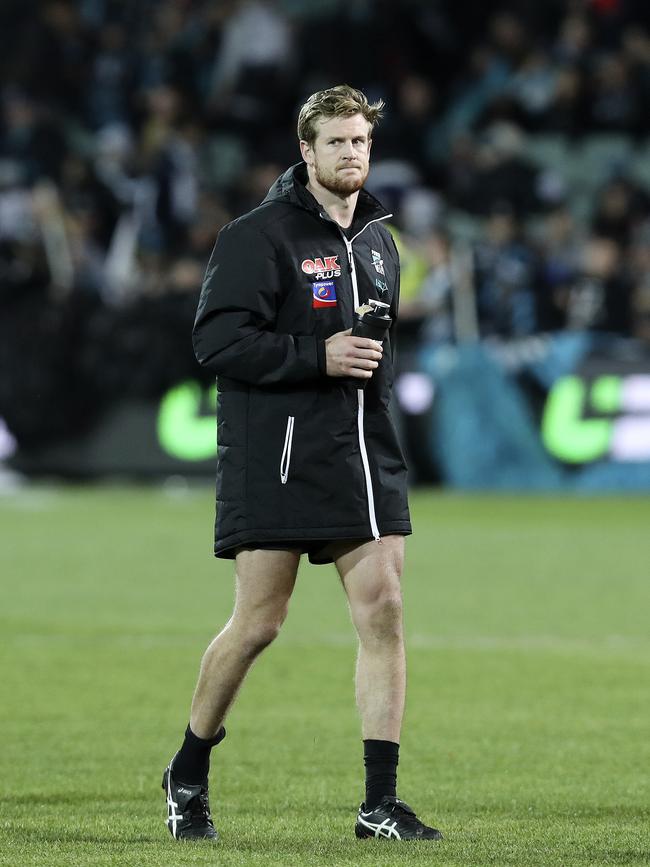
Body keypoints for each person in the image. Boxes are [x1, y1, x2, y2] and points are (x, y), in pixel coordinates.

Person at [162, 84, 442, 843]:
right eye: (339, 142)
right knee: (259, 622)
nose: (353, 153)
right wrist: (317, 355)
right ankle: (188, 770)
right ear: (306, 151)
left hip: (363, 455)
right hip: (279, 454)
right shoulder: (258, 236)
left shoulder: (381, 240)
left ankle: (378, 804)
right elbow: (217, 341)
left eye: (362, 141)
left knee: (384, 608)